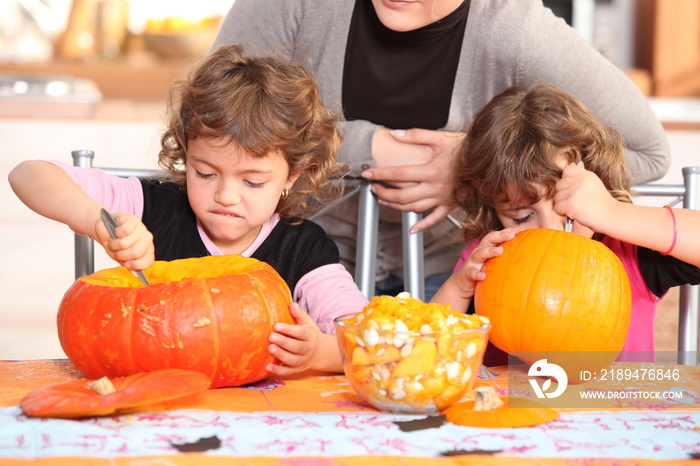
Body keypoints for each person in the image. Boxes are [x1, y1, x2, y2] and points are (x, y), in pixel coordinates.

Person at [212, 0, 671, 300]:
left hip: (452, 275)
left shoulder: (515, 29)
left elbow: (647, 151)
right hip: (294, 262)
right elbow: (213, 117)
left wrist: (477, 165)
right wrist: (369, 147)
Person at [8, 44, 369, 377]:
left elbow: (367, 342)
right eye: (206, 173)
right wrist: (98, 222)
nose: (226, 196)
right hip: (154, 404)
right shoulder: (154, 207)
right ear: (185, 153)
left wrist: (319, 352)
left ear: (293, 174)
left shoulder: (304, 250)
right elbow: (28, 175)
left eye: (252, 182)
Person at [431, 83, 700, 361]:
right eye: (522, 216)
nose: (550, 228)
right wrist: (459, 288)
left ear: (594, 182)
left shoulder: (629, 248)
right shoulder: (488, 256)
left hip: (613, 404)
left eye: (570, 209)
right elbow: (430, 355)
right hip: (511, 403)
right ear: (491, 206)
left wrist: (611, 213)